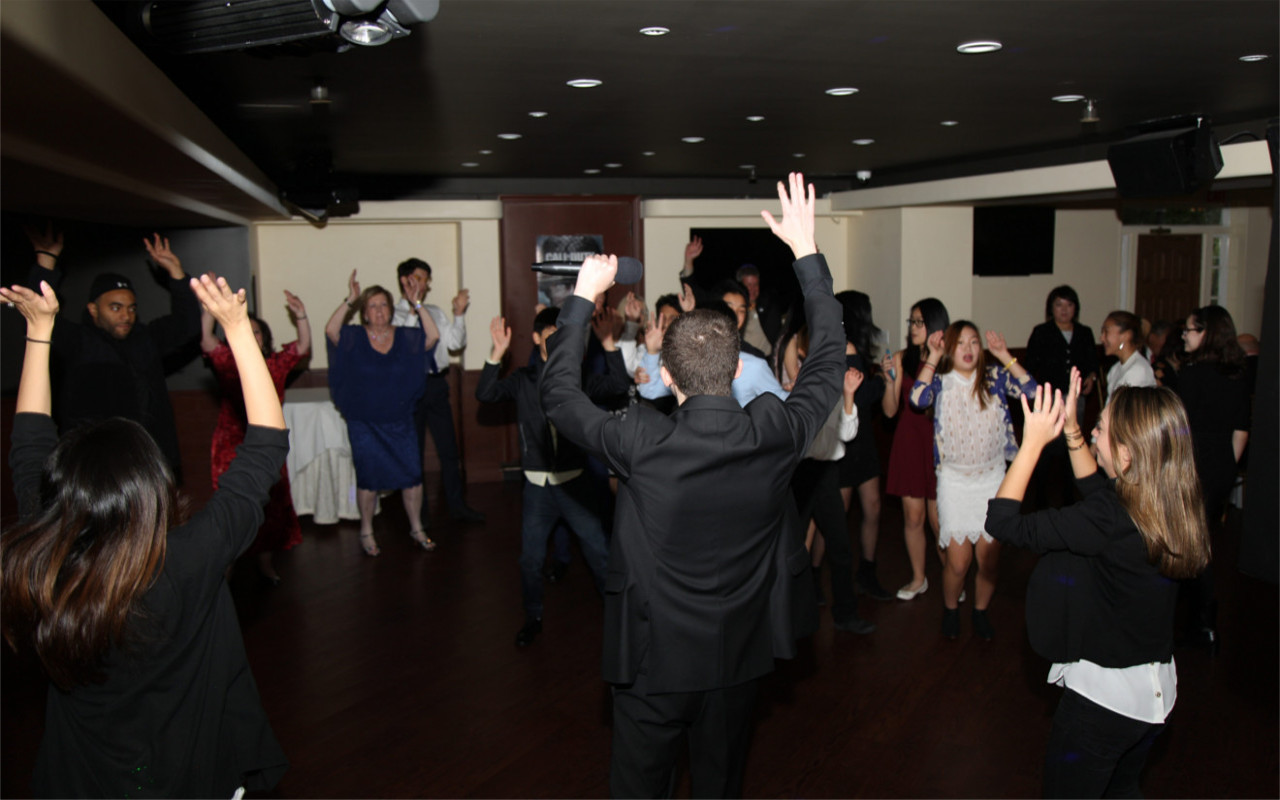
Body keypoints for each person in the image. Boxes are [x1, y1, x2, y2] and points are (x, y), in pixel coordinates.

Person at [541, 173, 840, 797]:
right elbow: (829, 360)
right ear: (735, 369)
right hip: (738, 658)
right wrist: (806, 254)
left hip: (653, 662)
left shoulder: (641, 441)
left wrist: (583, 298)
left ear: (668, 376)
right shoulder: (775, 432)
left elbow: (559, 397)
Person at [1, 272, 290, 798]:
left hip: (83, 781)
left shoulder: (42, 557)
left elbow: (28, 445)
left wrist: (38, 333)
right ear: (152, 489)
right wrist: (238, 329)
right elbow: (267, 444)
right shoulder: (191, 557)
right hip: (193, 775)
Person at [986, 370, 1210, 798]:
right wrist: (1072, 429)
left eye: (1100, 427)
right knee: (1122, 790)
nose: (1093, 430)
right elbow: (1097, 490)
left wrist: (1032, 443)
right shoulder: (1169, 497)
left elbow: (1002, 521)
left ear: (1125, 455)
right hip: (1154, 696)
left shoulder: (1109, 518)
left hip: (1104, 706)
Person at [476, 308, 628, 646]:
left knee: (599, 552)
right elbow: (485, 394)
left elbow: (618, 385)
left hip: (574, 484)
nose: (559, 342)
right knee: (530, 560)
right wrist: (496, 354)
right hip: (537, 487)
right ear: (536, 338)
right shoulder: (524, 379)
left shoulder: (579, 378)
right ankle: (533, 617)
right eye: (550, 336)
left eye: (564, 336)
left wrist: (607, 342)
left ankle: (618, 619)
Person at [23, 225, 201, 479]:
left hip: (148, 466)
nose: (126, 315)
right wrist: (46, 262)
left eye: (131, 308)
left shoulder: (146, 338)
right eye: (115, 308)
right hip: (95, 471)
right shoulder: (79, 342)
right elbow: (39, 314)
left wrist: (175, 271)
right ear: (93, 309)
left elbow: (188, 324)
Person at [910, 322, 1035, 639]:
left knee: (988, 561)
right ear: (949, 349)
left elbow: (1032, 391)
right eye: (960, 343)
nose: (968, 349)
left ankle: (980, 612)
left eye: (974, 342)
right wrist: (933, 356)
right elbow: (917, 399)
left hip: (993, 481)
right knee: (958, 562)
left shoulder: (995, 377)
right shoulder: (941, 382)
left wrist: (1004, 355)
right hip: (954, 482)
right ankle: (951, 610)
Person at [201, 289, 311, 585]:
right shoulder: (226, 361)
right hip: (230, 445)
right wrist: (210, 309)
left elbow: (302, 347)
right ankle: (226, 571)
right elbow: (207, 340)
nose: (252, 335)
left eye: (257, 331)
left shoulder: (275, 364)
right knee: (231, 508)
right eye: (246, 329)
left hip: (267, 446)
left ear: (264, 337)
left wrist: (300, 315)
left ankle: (265, 564)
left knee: (270, 509)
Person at [325, 269, 437, 556]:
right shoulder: (353, 337)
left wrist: (417, 303)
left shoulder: (406, 337)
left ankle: (416, 528)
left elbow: (433, 336)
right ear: (364, 312)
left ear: (391, 309)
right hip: (364, 423)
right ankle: (366, 529)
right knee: (369, 478)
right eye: (372, 305)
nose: (378, 310)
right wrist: (350, 299)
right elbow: (331, 331)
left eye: (383, 304)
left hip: (400, 421)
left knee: (412, 476)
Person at [1175, 305, 1250, 649]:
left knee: (1189, 542)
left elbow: (1178, 429)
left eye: (1189, 330)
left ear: (1206, 333)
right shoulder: (1237, 374)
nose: (1184, 336)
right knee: (1201, 537)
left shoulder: (1190, 374)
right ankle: (1202, 616)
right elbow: (1241, 431)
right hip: (1221, 465)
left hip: (1192, 465)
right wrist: (1226, 467)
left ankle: (1200, 618)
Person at [392, 257, 486, 524]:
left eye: (426, 279)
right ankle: (418, 514)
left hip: (436, 384)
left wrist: (459, 314)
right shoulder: (393, 315)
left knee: (449, 450)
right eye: (419, 278)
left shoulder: (433, 311)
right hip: (409, 387)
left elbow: (455, 343)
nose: (424, 284)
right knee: (414, 452)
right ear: (405, 280)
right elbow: (406, 347)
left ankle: (457, 506)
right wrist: (414, 309)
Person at [881, 297, 950, 600]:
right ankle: (918, 578)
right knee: (913, 517)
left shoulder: (947, 361)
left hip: (937, 443)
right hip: (908, 440)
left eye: (920, 322)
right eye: (912, 321)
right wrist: (888, 382)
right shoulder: (901, 358)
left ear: (935, 324)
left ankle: (953, 577)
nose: (913, 327)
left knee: (939, 520)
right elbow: (889, 411)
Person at [836, 290, 893, 601]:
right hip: (845, 440)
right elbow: (858, 397)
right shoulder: (844, 347)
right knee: (835, 516)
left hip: (863, 440)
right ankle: (821, 577)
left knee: (872, 507)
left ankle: (867, 572)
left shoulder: (852, 346)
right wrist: (883, 380)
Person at [1099, 310, 1156, 406]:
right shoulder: (1115, 368)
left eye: (1106, 332)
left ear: (1125, 336)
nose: (1101, 338)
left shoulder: (1138, 370)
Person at [735, 263, 783, 357]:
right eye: (749, 285)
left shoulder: (767, 306)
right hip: (744, 359)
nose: (753, 289)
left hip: (767, 359)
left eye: (756, 284)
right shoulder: (734, 310)